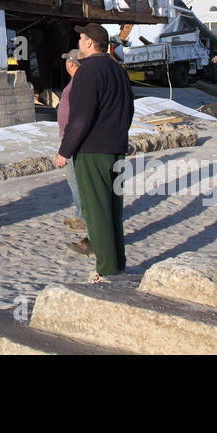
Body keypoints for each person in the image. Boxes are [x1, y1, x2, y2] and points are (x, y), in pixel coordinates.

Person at [56, 23, 133, 281]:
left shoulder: (88, 72)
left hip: (93, 150)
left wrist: (65, 151)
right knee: (113, 209)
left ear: (90, 43)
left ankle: (107, 268)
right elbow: (129, 109)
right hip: (117, 148)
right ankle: (117, 262)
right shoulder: (117, 69)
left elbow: (81, 118)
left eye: (81, 38)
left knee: (96, 210)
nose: (79, 42)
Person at [58, 48, 91, 257]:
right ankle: (81, 216)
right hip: (73, 140)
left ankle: (85, 220)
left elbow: (77, 120)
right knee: (74, 181)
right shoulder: (79, 83)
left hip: (75, 143)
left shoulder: (80, 85)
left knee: (78, 182)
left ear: (71, 63)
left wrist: (66, 148)